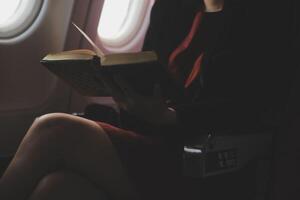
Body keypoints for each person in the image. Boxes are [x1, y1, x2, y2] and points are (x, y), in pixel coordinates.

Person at [0, 0, 291, 199]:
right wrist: (128, 95)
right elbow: (150, 76)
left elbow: (255, 108)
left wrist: (171, 116)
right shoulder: (171, 8)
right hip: (151, 136)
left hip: (200, 160)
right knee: (57, 188)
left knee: (53, 129)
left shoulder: (266, 19)